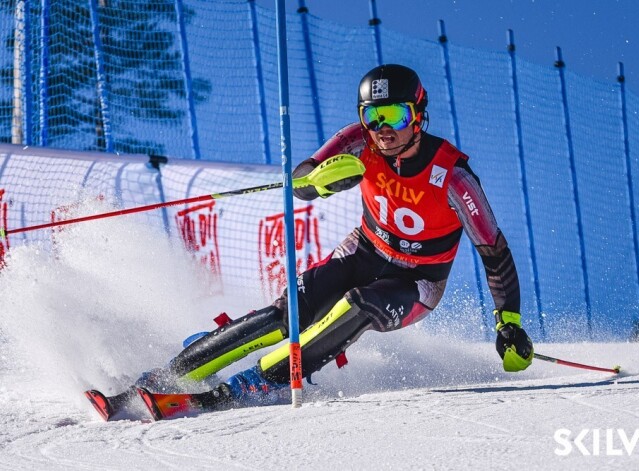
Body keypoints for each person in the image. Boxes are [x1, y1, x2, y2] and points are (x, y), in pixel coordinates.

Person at [142, 64, 534, 407]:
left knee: (358, 305)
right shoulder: (358, 141)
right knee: (288, 313)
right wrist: (315, 182)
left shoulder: (453, 175)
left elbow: (493, 250)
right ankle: (172, 374)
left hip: (417, 281)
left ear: (418, 116)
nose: (382, 129)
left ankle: (256, 385)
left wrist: (509, 322)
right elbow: (301, 178)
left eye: (394, 115)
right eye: (372, 116)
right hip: (365, 251)